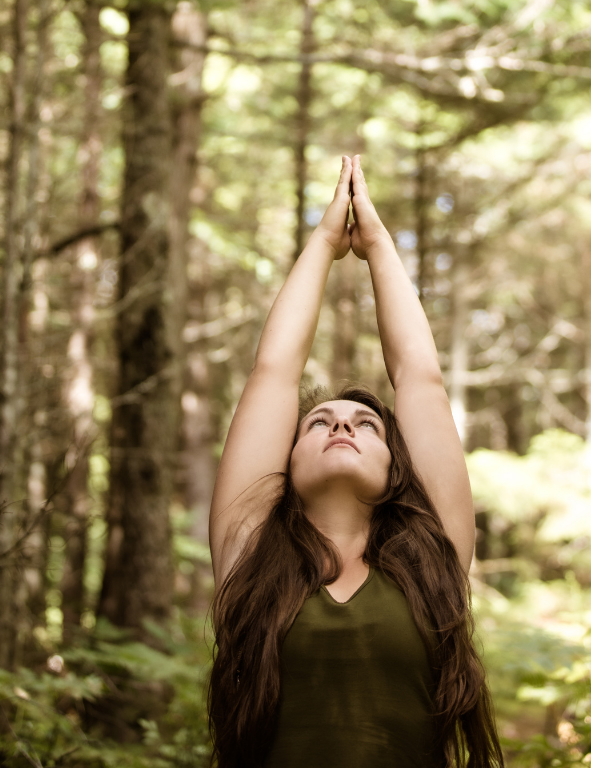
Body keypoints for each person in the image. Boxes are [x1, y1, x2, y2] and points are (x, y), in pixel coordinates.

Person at [207, 155, 503, 768]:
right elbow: (274, 373)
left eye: (366, 424)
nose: (342, 423)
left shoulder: (433, 563)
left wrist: (377, 244)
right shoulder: (251, 551)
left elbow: (419, 378)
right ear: (285, 464)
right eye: (320, 422)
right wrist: (321, 241)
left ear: (396, 468)